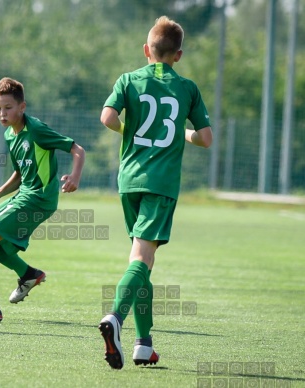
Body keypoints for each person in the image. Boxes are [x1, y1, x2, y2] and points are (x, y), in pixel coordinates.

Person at [98, 16, 213, 369]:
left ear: (146, 50)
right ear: (178, 55)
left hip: (129, 180)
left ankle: (143, 343)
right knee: (142, 259)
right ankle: (115, 318)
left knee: (142, 259)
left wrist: (127, 129)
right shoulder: (188, 88)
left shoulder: (128, 79)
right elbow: (205, 139)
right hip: (161, 185)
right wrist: (183, 134)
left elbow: (107, 117)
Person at [0, 77, 86, 322]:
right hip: (25, 194)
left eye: (8, 108)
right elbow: (19, 173)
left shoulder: (36, 130)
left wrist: (75, 176)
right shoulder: (10, 135)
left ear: (22, 107)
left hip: (39, 199)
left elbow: (78, 150)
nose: (2, 114)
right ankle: (28, 274)